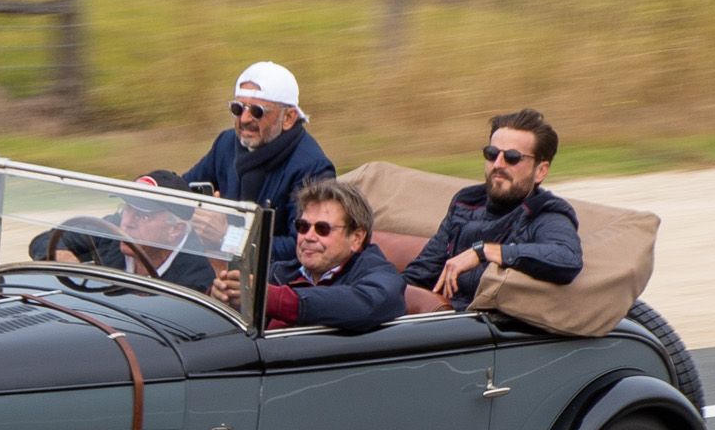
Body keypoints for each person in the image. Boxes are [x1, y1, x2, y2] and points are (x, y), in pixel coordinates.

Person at [401, 109, 583, 312]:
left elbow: (567, 258)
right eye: (492, 154)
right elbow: (420, 273)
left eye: (512, 157)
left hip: (486, 330)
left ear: (540, 171)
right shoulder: (467, 202)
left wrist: (483, 252)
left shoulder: (546, 213)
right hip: (441, 323)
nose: (498, 164)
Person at [182, 61, 334, 265]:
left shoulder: (312, 168)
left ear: (288, 117)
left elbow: (303, 245)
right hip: (221, 268)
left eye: (257, 111)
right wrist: (150, 185)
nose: (244, 119)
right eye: (237, 108)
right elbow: (183, 189)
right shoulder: (226, 143)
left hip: (269, 281)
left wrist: (229, 237)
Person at [212, 177, 404, 332]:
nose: (308, 237)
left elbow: (368, 304)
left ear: (356, 237)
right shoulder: (279, 273)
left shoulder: (379, 275)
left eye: (322, 229)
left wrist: (274, 299)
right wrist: (224, 298)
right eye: (302, 227)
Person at [39, 170, 215, 291]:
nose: (127, 222)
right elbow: (44, 240)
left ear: (175, 230)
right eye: (127, 208)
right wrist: (61, 256)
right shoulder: (112, 228)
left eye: (142, 215)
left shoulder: (196, 277)